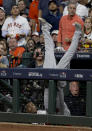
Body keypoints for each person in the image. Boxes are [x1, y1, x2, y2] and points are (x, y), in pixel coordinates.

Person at [39, 17, 82, 115]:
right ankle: (78, 33)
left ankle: (45, 28)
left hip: (50, 84)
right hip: (57, 84)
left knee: (49, 51)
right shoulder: (65, 111)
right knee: (68, 55)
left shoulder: (62, 111)